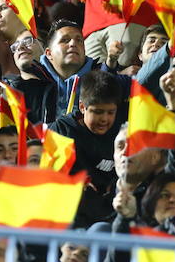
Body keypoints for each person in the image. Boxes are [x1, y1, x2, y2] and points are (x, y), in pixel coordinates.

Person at [50, 70, 124, 226]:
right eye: (98, 112)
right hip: (71, 216)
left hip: (111, 214)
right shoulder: (62, 131)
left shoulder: (121, 133)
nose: (104, 119)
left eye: (110, 112)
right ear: (82, 107)